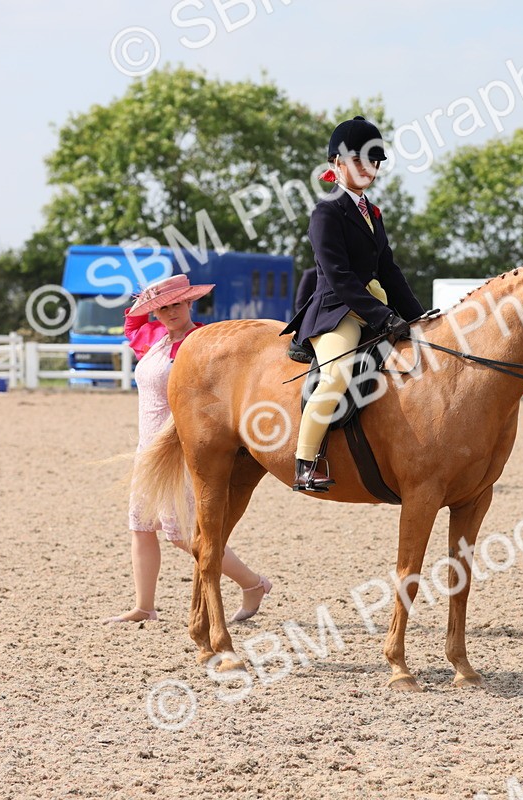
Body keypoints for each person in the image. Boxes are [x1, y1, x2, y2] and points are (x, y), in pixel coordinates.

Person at [103, 274, 273, 623]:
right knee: (141, 525)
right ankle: (144, 606)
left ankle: (252, 583)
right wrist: (144, 299)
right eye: (161, 307)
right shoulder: (153, 339)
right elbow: (132, 324)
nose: (169, 312)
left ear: (189, 303)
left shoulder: (204, 341)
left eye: (175, 304)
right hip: (148, 448)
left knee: (182, 534)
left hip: (184, 446)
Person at [280, 115, 425, 492]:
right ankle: (306, 462)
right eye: (359, 161)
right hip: (336, 311)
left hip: (372, 305)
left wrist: (419, 317)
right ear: (336, 164)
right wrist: (382, 316)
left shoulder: (372, 212)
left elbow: (389, 271)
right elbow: (339, 276)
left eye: (372, 162)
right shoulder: (326, 211)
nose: (367, 169)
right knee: (338, 373)